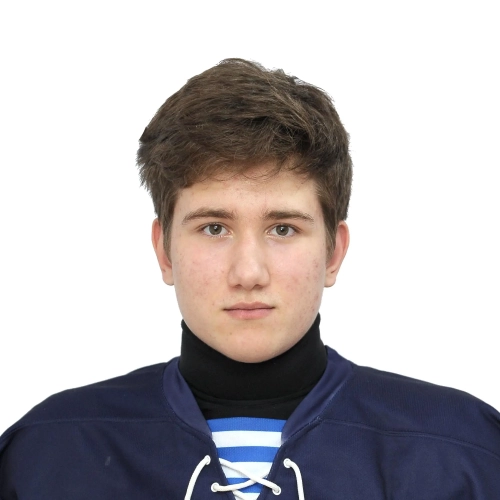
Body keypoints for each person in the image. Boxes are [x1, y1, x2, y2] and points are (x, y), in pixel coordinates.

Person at [0, 58, 499, 499]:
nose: (248, 273)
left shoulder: (465, 453)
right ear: (164, 250)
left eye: (283, 229)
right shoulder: (46, 454)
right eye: (214, 228)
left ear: (333, 252)